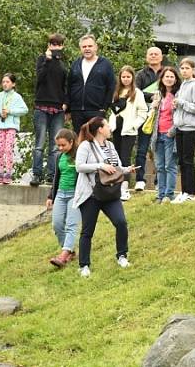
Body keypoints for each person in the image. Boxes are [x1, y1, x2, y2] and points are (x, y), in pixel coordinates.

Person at [74, 117, 138, 278]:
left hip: (110, 193)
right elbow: (79, 166)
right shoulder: (86, 146)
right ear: (100, 129)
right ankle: (84, 265)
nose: (110, 128)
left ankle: (122, 255)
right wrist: (99, 165)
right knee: (88, 231)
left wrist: (126, 170)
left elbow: (114, 167)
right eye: (107, 126)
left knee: (121, 222)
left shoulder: (110, 145)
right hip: (91, 194)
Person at [31, 33, 69, 186]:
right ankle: (37, 173)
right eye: (53, 44)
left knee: (56, 146)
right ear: (48, 46)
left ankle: (51, 175)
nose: (55, 47)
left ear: (62, 46)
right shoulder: (42, 59)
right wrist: (47, 60)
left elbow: (66, 85)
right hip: (42, 105)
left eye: (58, 45)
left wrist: (66, 103)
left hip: (58, 108)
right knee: (39, 144)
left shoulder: (63, 63)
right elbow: (39, 78)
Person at [108, 66, 147, 201]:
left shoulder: (137, 93)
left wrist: (133, 125)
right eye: (123, 77)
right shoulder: (116, 92)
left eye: (128, 77)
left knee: (125, 158)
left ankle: (124, 188)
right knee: (115, 158)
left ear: (132, 78)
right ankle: (116, 185)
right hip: (116, 129)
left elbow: (143, 113)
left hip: (128, 131)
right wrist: (110, 126)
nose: (125, 79)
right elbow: (112, 111)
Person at [171, 58, 195, 204]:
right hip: (180, 127)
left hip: (191, 128)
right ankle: (184, 191)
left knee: (188, 160)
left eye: (187, 68)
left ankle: (191, 192)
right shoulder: (183, 85)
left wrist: (182, 103)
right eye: (182, 68)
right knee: (182, 161)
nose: (184, 70)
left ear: (193, 70)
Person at [46, 128, 81, 268]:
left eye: (63, 145)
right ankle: (69, 250)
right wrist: (51, 196)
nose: (60, 148)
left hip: (75, 194)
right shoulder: (59, 157)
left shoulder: (79, 155)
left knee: (71, 225)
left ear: (71, 142)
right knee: (57, 224)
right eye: (58, 145)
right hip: (60, 193)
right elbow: (56, 177)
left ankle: (64, 255)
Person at [132, 46, 165, 191]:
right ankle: (140, 179)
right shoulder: (140, 74)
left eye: (156, 54)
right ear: (146, 57)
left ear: (161, 57)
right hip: (145, 114)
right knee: (142, 148)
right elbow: (135, 92)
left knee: (160, 148)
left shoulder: (167, 73)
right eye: (150, 54)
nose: (153, 56)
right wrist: (151, 96)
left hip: (163, 115)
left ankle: (160, 181)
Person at [67, 34, 115, 131]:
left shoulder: (105, 64)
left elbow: (111, 87)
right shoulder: (75, 64)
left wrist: (104, 108)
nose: (87, 49)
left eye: (90, 46)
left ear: (96, 47)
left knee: (95, 141)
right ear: (80, 48)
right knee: (79, 141)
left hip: (96, 110)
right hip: (77, 111)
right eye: (84, 46)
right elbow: (69, 86)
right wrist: (68, 108)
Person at [149, 67, 182, 204]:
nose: (169, 79)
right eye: (166, 76)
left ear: (175, 79)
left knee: (170, 165)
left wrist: (173, 130)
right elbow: (152, 116)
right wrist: (153, 106)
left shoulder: (179, 94)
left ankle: (169, 194)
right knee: (160, 166)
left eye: (171, 77)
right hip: (158, 134)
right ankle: (160, 194)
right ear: (162, 79)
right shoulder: (158, 94)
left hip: (171, 134)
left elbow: (181, 115)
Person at [0, 73, 29, 184]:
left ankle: (8, 173)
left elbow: (24, 110)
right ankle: (0, 173)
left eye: (7, 82)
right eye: (3, 82)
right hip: (0, 126)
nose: (5, 84)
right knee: (0, 150)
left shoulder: (17, 97)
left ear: (13, 84)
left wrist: (10, 112)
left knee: (8, 149)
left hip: (11, 126)